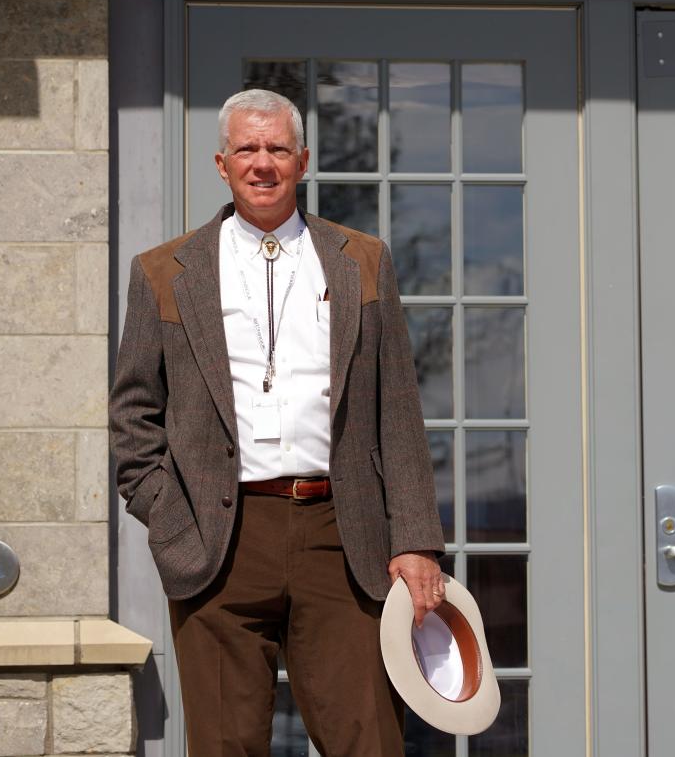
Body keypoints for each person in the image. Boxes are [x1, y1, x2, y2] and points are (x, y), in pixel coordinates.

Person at [110, 89, 445, 756]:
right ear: (221, 162)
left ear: (303, 160)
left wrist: (416, 539)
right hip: (219, 542)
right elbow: (132, 418)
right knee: (226, 743)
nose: (262, 163)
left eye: (277, 148)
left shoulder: (361, 261)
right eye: (247, 149)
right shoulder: (161, 273)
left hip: (342, 536)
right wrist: (177, 517)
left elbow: (398, 411)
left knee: (367, 738)